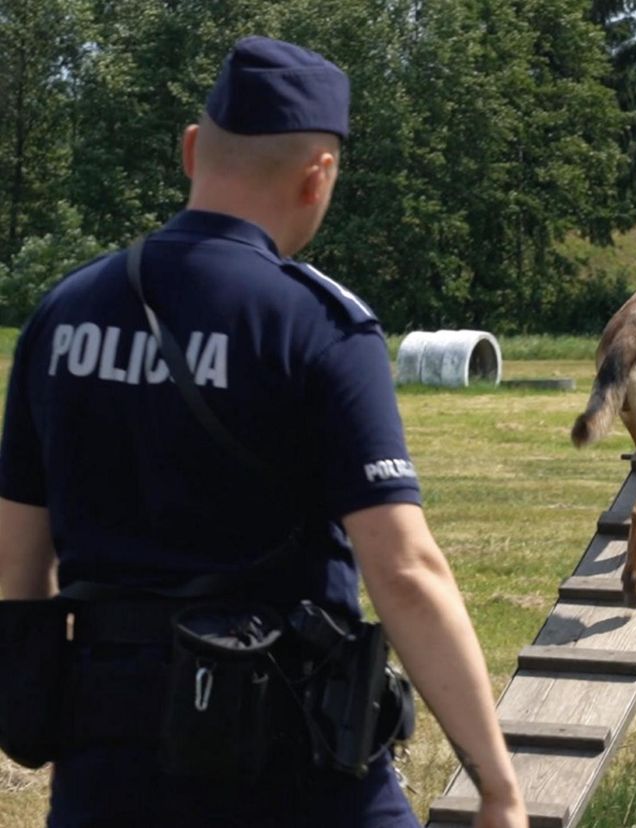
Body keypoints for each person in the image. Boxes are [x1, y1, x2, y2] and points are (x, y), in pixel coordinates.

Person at [0, 36, 526, 828]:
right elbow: (407, 573)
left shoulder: (62, 311)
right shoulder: (319, 328)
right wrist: (496, 787)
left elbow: (17, 568)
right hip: (286, 754)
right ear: (320, 174)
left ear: (190, 150)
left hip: (104, 754)